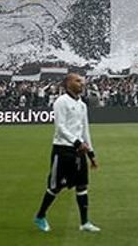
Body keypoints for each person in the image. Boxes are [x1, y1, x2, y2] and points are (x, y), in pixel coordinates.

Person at [33, 73, 100, 233]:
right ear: (68, 84)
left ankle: (84, 222)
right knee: (55, 187)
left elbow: (85, 130)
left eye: (82, 81)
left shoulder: (82, 105)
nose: (82, 83)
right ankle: (40, 216)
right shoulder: (61, 102)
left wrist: (91, 153)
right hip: (62, 150)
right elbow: (60, 128)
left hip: (79, 152)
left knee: (82, 185)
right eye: (78, 81)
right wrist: (77, 142)